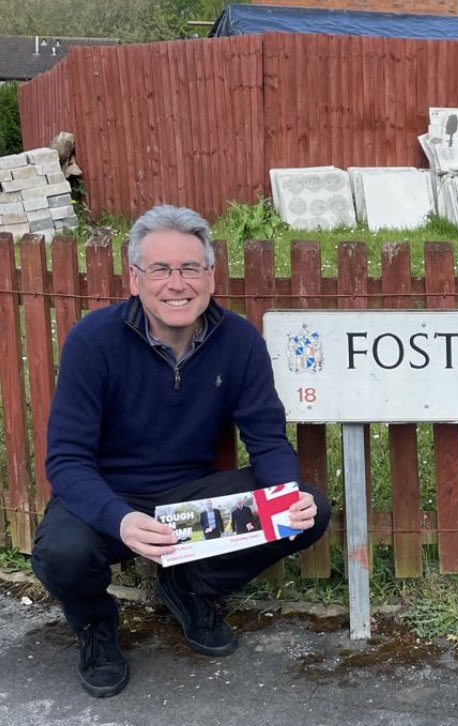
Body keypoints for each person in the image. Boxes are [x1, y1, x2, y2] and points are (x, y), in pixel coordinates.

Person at [32, 204, 332, 698]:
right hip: (109, 503)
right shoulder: (93, 341)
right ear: (135, 279)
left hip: (190, 504)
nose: (178, 283)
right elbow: (66, 460)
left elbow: (266, 436)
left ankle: (189, 586)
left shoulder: (239, 341)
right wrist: (120, 520)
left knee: (307, 511)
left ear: (211, 276)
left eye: (191, 268)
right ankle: (95, 627)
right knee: (62, 553)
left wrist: (284, 493)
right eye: (161, 269)